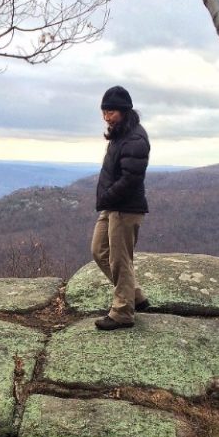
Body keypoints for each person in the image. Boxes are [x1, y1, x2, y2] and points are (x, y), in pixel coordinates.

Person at [91, 85, 150, 331]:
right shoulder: (120, 133)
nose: (107, 116)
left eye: (112, 111)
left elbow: (131, 178)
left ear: (125, 111)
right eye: (104, 111)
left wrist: (108, 196)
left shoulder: (135, 137)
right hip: (112, 206)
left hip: (125, 209)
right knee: (99, 251)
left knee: (119, 259)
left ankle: (123, 311)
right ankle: (134, 295)